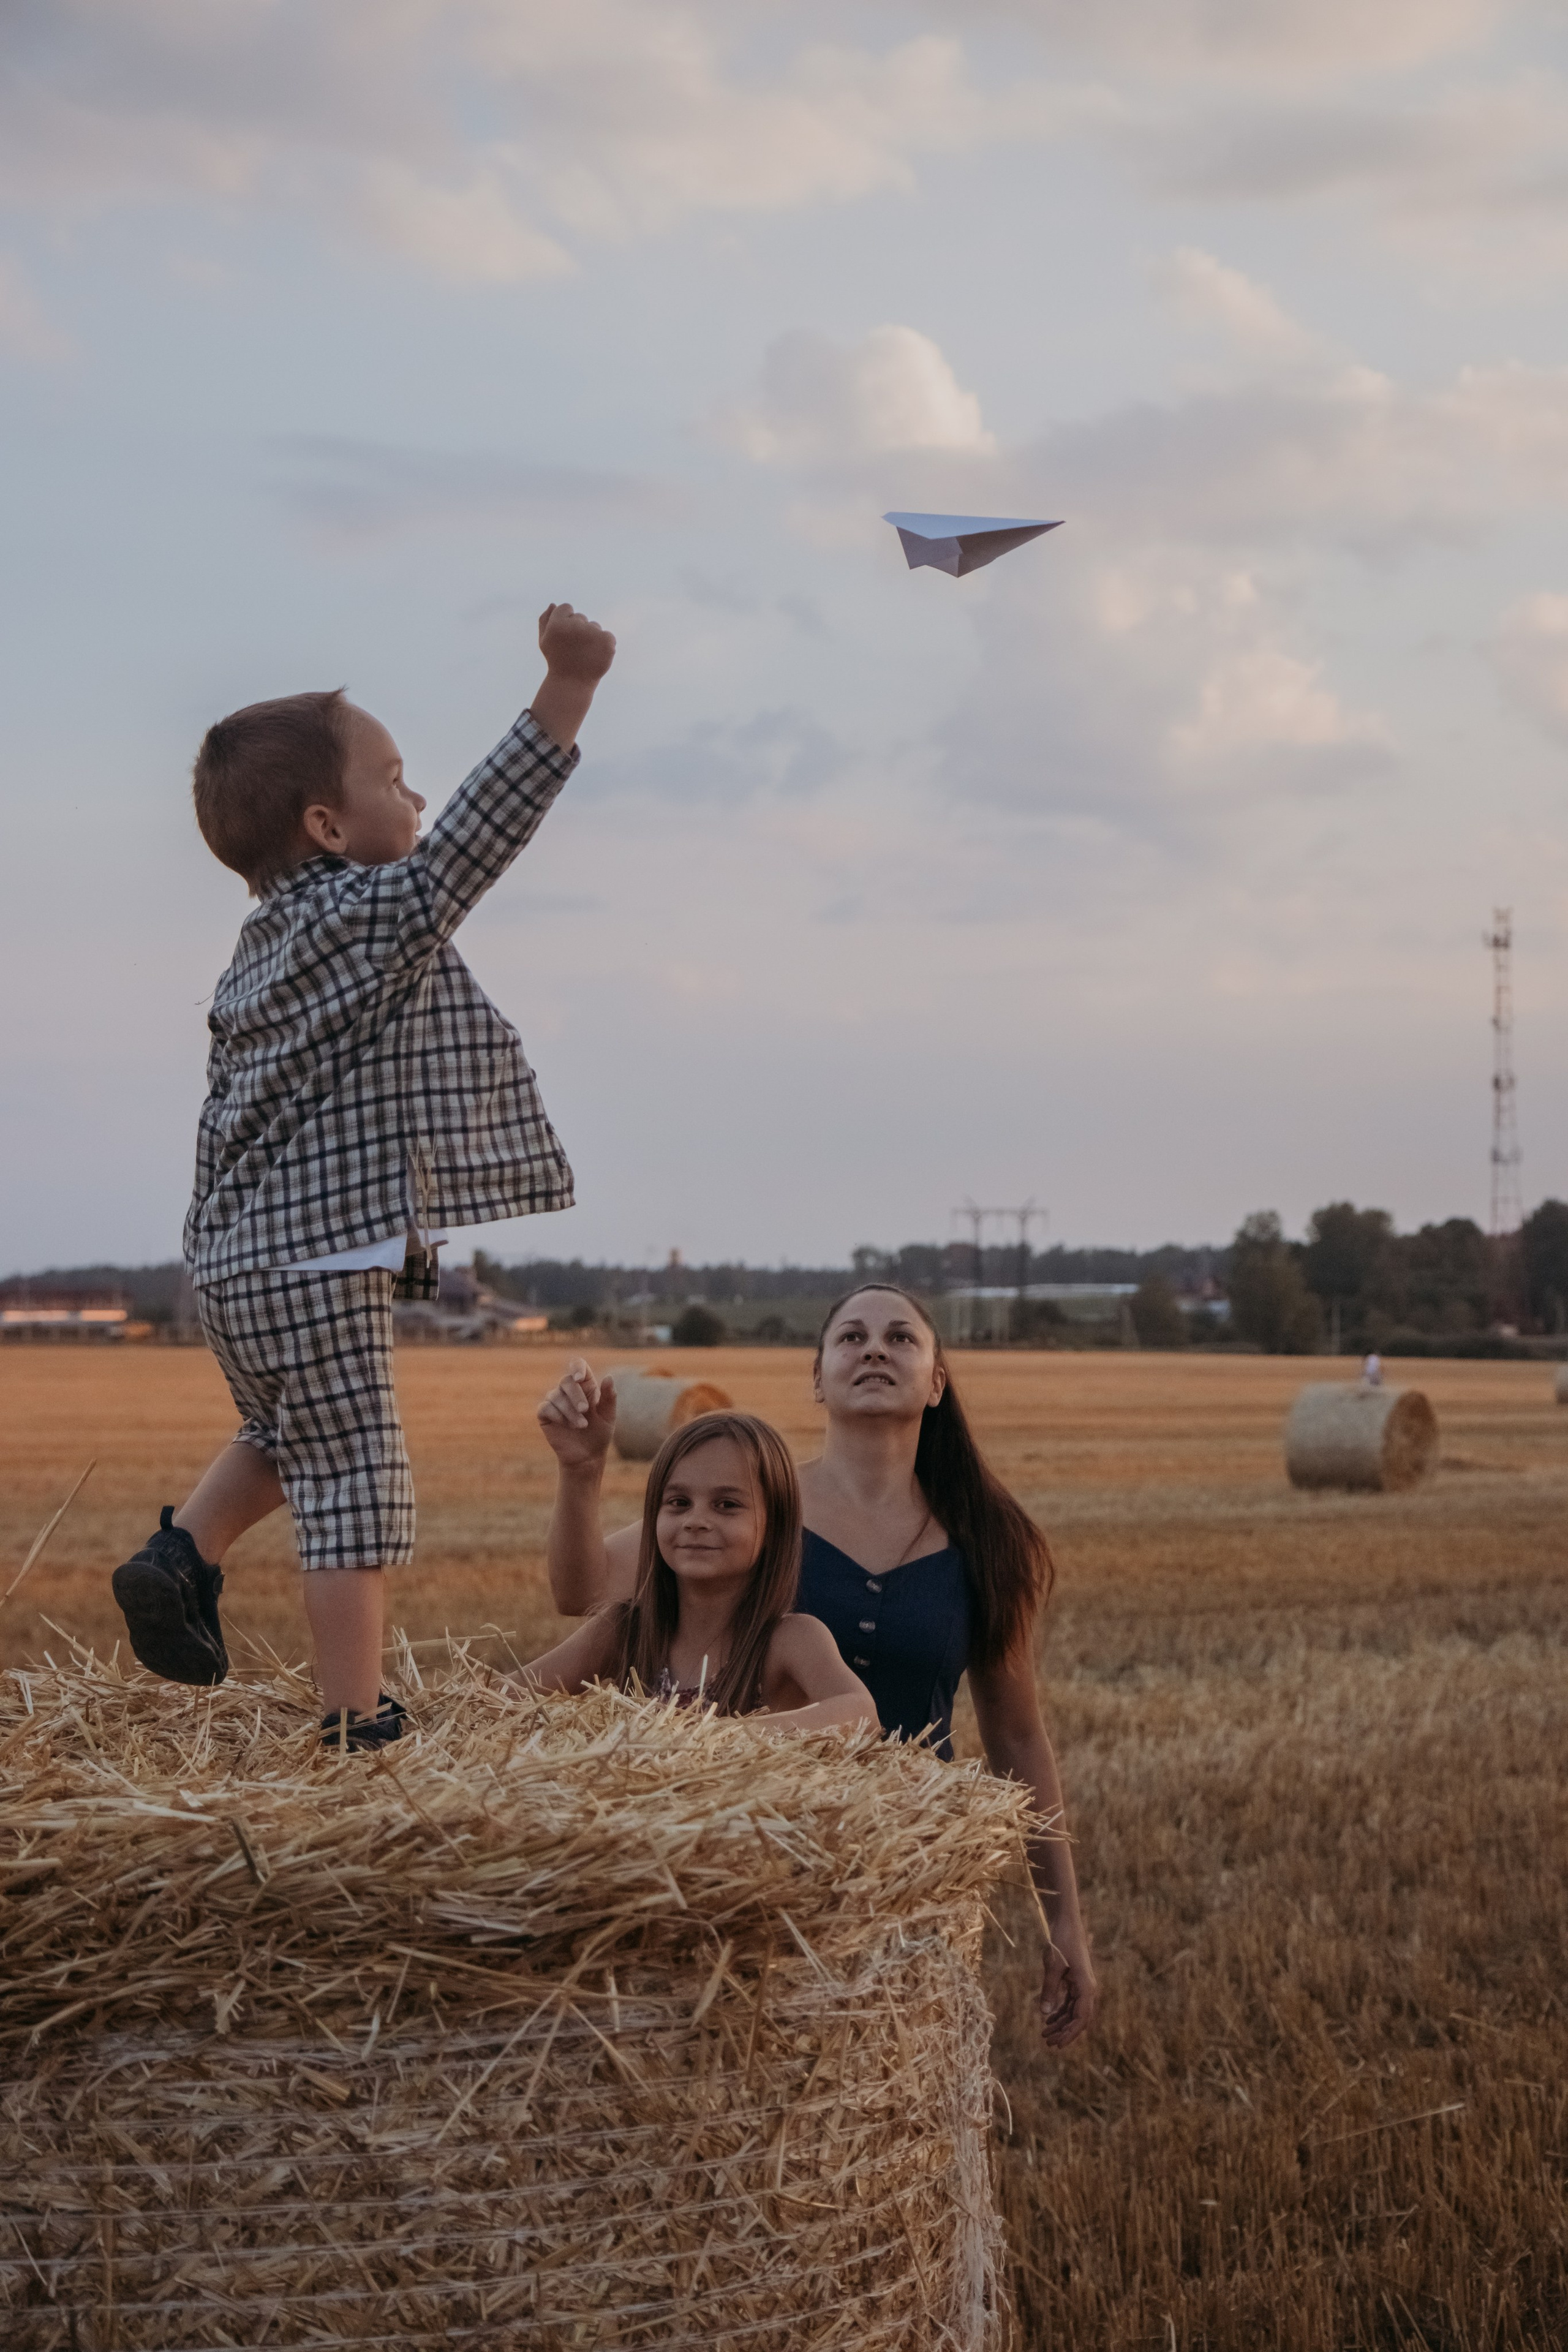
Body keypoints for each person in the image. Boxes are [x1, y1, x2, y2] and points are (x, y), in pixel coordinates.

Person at [110, 602, 616, 1750]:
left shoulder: (255, 952)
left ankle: (182, 1554)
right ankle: (355, 1721)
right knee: (353, 1480)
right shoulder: (361, 917)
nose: (419, 798)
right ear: (328, 828)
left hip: (231, 1265)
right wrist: (569, 688)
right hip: (317, 1259)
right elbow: (478, 837)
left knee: (288, 1431)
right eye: (394, 780)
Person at [540, 1284, 1098, 2049]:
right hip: (761, 1871)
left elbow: (1018, 1737)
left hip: (909, 1876)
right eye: (852, 1337)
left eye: (901, 1338)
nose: (875, 1350)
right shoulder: (750, 1506)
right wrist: (580, 1474)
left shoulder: (988, 1540)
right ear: (818, 1377)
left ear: (937, 1383)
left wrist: (1062, 1920)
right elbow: (580, 1592)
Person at [527, 1407, 877, 1735]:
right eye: (679, 1503)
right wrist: (576, 1467)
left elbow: (861, 1713)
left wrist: (720, 1738)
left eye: (726, 1505)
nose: (696, 1521)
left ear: (774, 1526)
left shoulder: (790, 1639)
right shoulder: (624, 1630)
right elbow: (504, 1697)